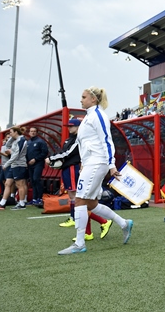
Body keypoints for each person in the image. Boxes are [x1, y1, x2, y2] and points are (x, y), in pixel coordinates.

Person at [57, 87, 134, 255]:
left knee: (79, 200)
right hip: (92, 163)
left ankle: (79, 243)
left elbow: (107, 140)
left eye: (83, 97)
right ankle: (124, 223)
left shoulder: (98, 116)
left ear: (93, 99)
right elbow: (86, 144)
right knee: (90, 203)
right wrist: (83, 163)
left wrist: (111, 165)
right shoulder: (89, 117)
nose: (81, 100)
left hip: (97, 163)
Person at [47, 119, 113, 240]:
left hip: (78, 168)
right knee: (77, 199)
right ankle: (87, 229)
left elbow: (68, 153)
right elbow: (65, 152)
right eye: (69, 126)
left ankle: (102, 222)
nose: (69, 128)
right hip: (72, 168)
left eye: (72, 126)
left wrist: (52, 158)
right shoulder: (70, 139)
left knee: (81, 200)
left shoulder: (81, 139)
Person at [0, 126, 28, 210]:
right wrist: (11, 137)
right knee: (7, 183)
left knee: (19, 184)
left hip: (19, 165)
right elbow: (7, 145)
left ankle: (22, 204)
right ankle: (2, 203)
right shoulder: (15, 140)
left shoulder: (22, 140)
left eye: (11, 132)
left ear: (16, 132)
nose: (10, 134)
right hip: (13, 165)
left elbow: (16, 155)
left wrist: (6, 164)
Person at [26, 127, 48, 206]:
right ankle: (34, 199)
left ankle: (40, 198)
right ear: (29, 133)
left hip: (38, 164)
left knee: (36, 179)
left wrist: (35, 159)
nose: (33, 133)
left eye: (34, 131)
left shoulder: (40, 142)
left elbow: (45, 152)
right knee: (32, 181)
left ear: (37, 132)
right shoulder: (28, 142)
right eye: (31, 131)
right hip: (30, 164)